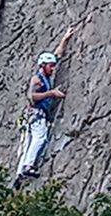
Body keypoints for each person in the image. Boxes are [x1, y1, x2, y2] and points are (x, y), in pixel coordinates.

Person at [16, 26, 74, 180]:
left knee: (29, 142)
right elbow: (32, 97)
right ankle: (28, 166)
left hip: (37, 115)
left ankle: (21, 172)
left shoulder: (46, 74)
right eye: (51, 66)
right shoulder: (37, 80)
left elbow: (58, 54)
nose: (53, 68)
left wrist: (65, 39)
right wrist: (51, 93)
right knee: (39, 138)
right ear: (43, 65)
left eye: (53, 65)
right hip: (36, 114)